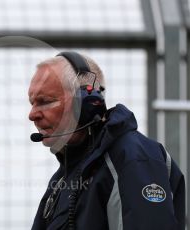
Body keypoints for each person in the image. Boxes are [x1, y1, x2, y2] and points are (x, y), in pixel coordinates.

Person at [28, 51, 185, 230]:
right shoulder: (64, 177)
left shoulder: (133, 158)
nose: (32, 115)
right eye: (31, 103)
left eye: (45, 101)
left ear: (86, 103)